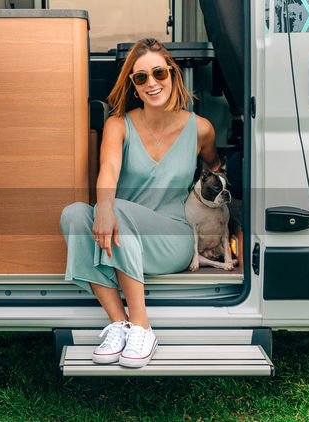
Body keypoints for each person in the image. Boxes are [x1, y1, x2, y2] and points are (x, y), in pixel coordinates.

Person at [59, 38, 221, 368]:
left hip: (171, 238)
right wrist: (103, 208)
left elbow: (215, 170)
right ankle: (120, 324)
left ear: (173, 75)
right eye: (141, 77)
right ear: (133, 85)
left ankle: (143, 326)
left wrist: (219, 227)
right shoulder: (118, 124)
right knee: (73, 214)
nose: (151, 83)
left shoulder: (201, 129)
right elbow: (109, 169)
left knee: (113, 207)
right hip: (119, 236)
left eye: (159, 73)